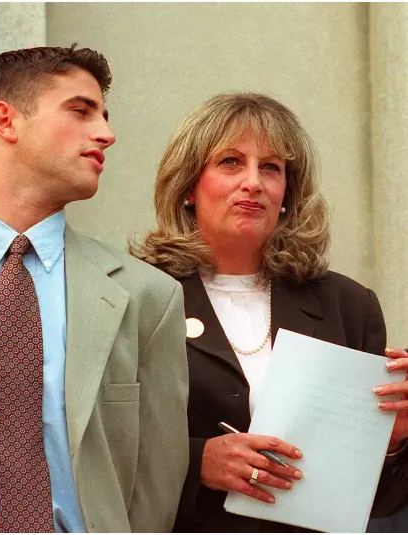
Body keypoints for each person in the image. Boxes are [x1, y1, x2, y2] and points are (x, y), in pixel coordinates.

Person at [0, 45, 189, 533]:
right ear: (6, 121)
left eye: (103, 115)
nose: (106, 133)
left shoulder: (148, 297)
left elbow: (155, 486)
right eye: (80, 111)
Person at [130, 92, 408, 532]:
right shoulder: (136, 297)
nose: (254, 182)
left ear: (286, 196)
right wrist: (196, 461)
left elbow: (379, 502)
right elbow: (98, 451)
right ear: (187, 188)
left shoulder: (349, 306)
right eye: (231, 163)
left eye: (271, 168)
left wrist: (392, 441)